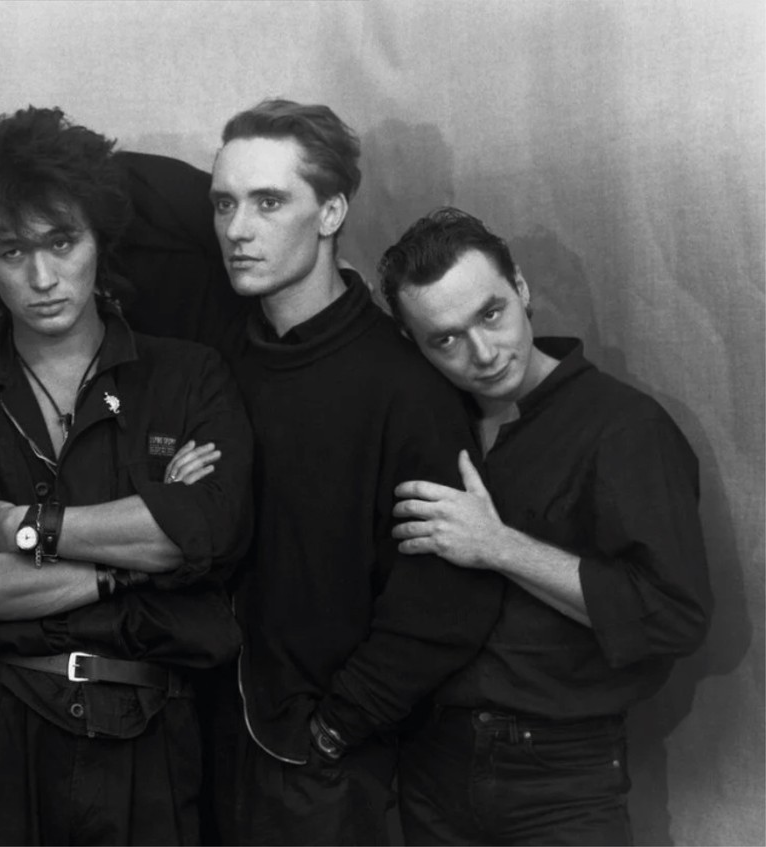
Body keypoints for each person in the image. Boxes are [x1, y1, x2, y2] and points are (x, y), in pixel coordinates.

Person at [0, 106, 253, 845]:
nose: (42, 277)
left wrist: (23, 529)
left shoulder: (186, 377)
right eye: (12, 250)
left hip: (154, 726)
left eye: (62, 242)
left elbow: (207, 531)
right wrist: (134, 562)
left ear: (99, 239)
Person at [208, 99, 505, 845]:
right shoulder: (219, 363)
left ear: (332, 210)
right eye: (224, 203)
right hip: (207, 738)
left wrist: (337, 726)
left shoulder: (405, 386)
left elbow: (445, 598)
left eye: (268, 202)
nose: (238, 229)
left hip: (323, 762)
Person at [381, 207, 712, 845]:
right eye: (445, 340)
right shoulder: (427, 424)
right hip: (429, 764)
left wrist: (499, 547)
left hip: (561, 778)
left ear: (522, 288)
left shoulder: (624, 427)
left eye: (491, 314)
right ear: (414, 344)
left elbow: (674, 616)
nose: (482, 353)